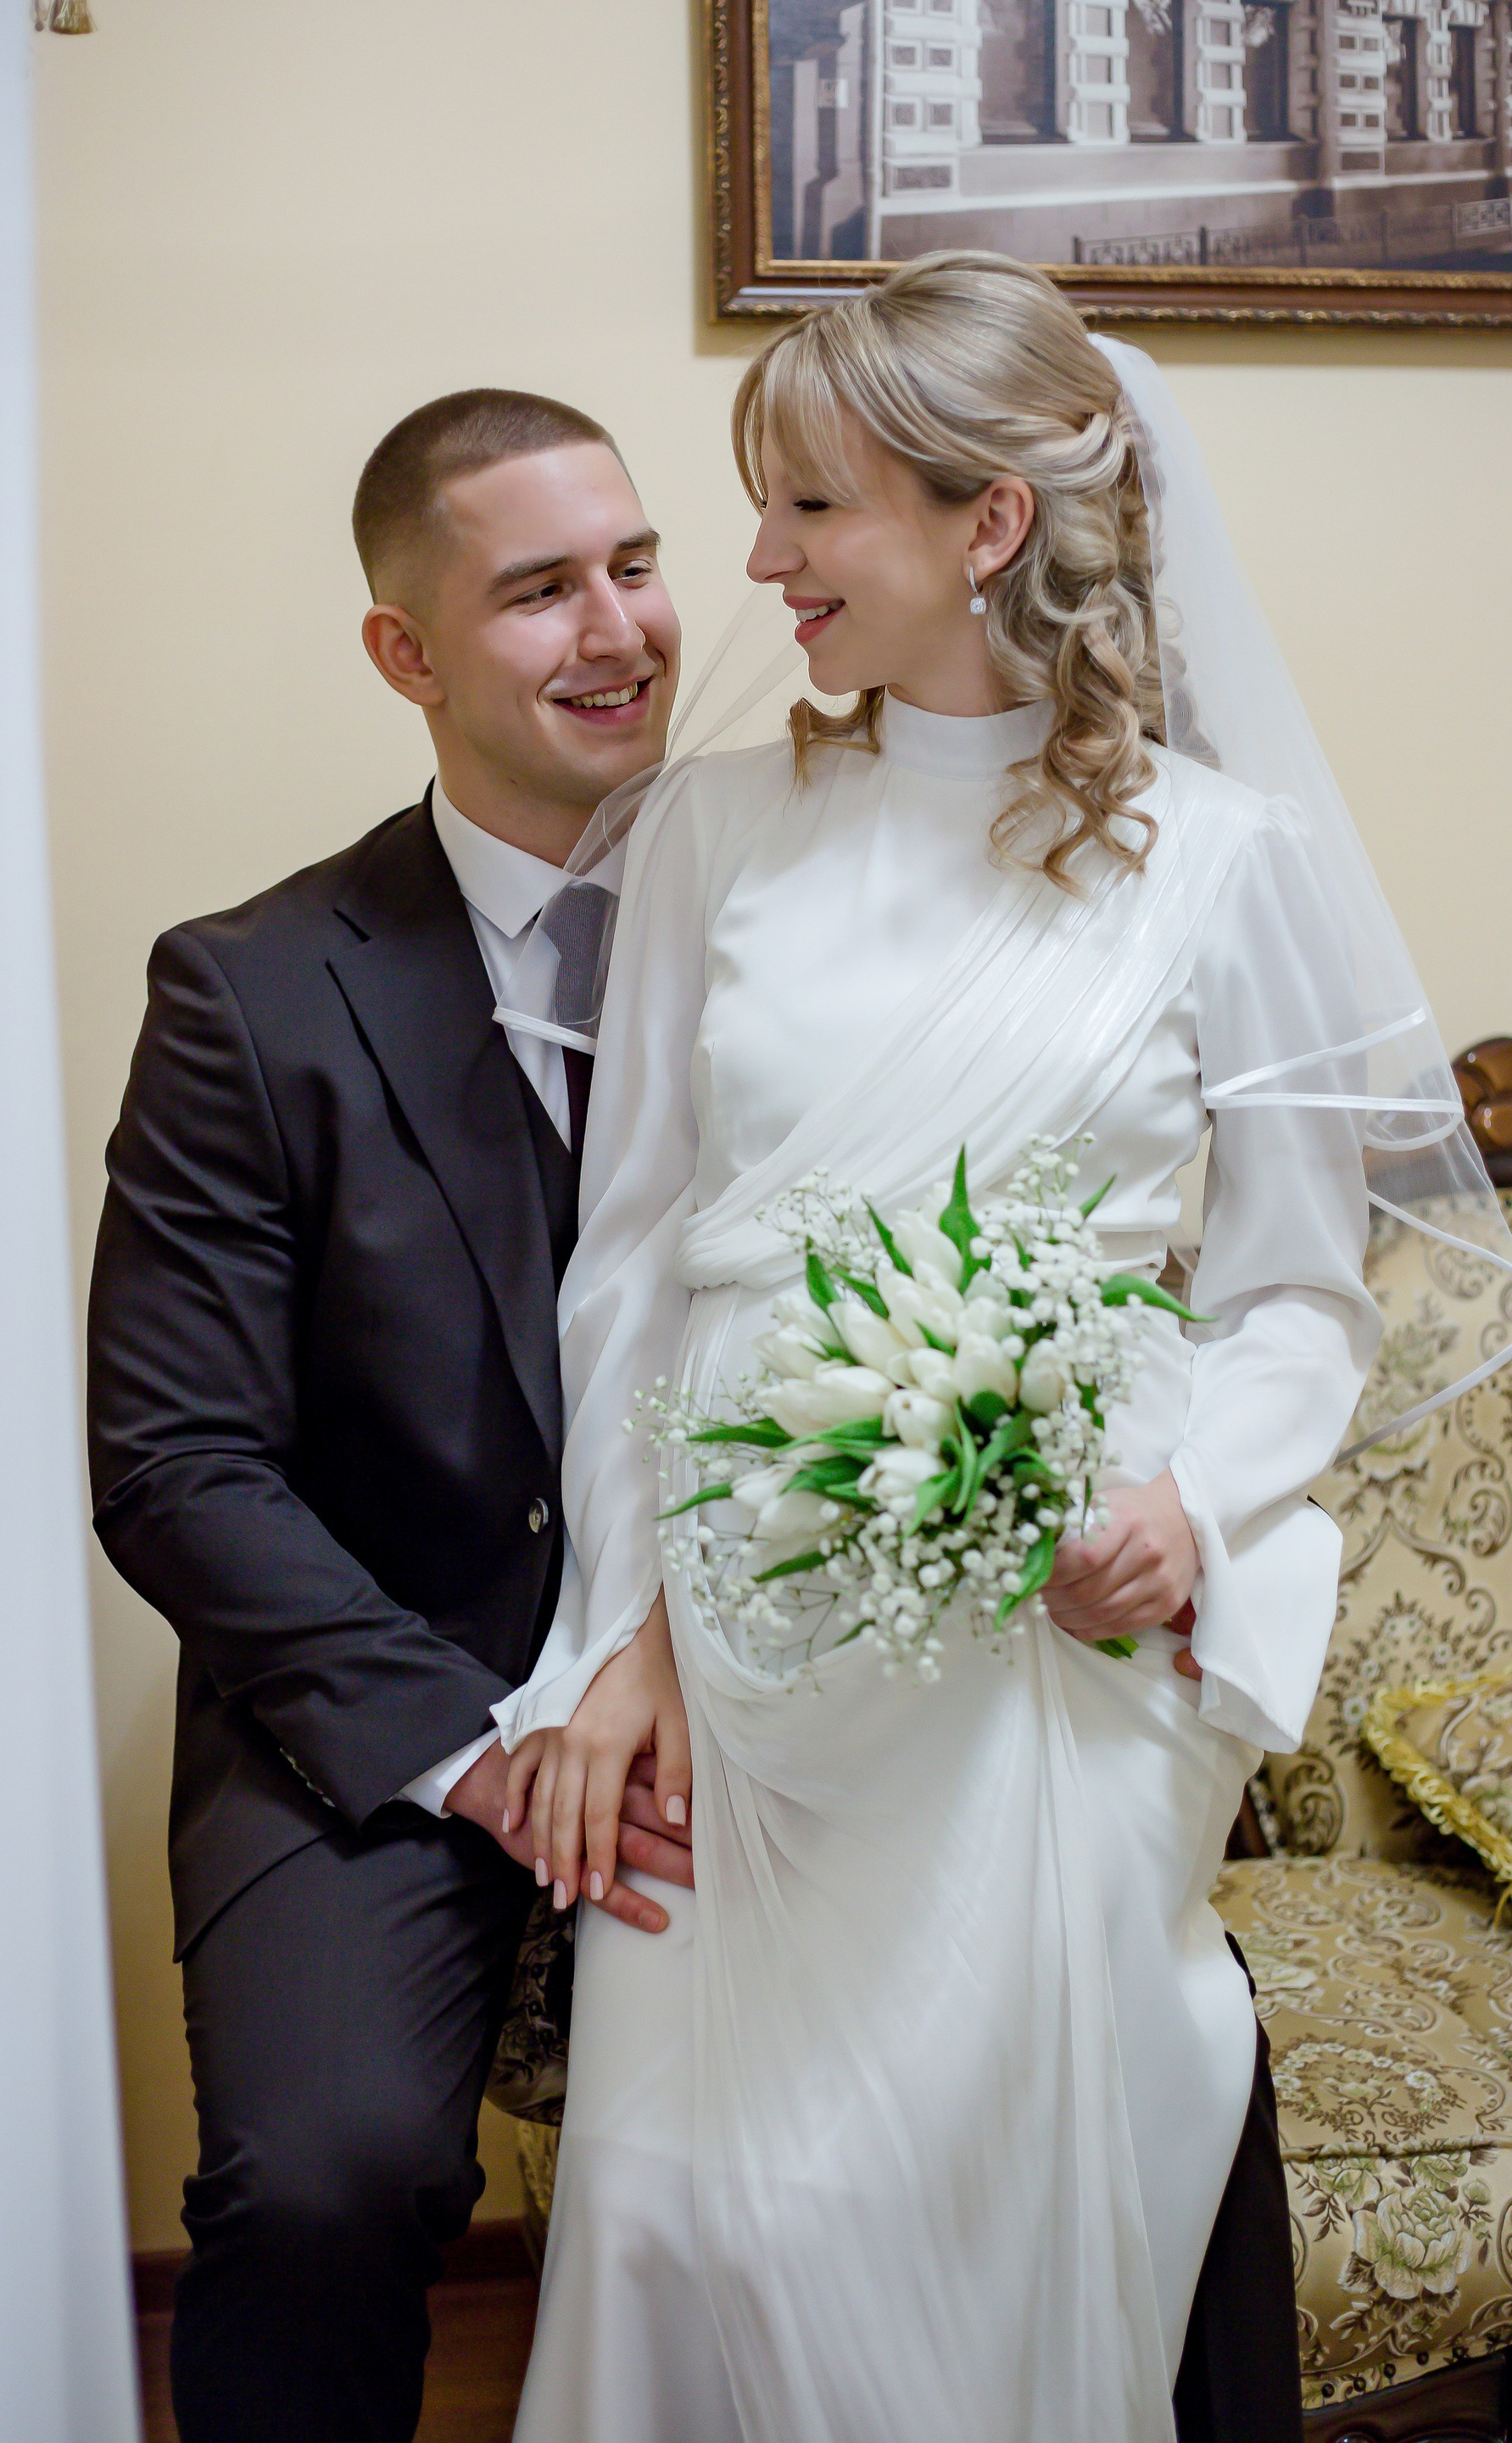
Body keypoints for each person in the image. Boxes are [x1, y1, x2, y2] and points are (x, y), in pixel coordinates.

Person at [494, 258, 1395, 2442]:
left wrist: (1187, 1507)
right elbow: (630, 1276)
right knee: (680, 2211)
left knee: (995, 2206)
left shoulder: (1226, 864)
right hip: (742, 1647)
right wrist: (624, 1638)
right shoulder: (709, 835)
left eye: (810, 507)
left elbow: (1300, 1291)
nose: (756, 564)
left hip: (1047, 1652)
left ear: (987, 524)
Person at [85, 388, 696, 2443]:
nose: (616, 629)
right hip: (388, 1704)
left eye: (635, 564)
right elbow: (174, 1461)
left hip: (736, 1680)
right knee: (322, 2186)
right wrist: (479, 1755)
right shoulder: (251, 991)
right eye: (539, 591)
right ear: (404, 653)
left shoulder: (803, 917)